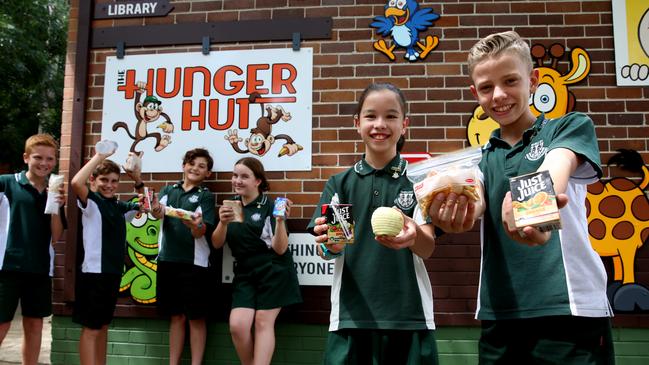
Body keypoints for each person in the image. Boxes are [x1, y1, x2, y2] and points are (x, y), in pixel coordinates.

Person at [429, 31, 614, 364]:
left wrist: (532, 209)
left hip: (570, 312)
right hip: (500, 318)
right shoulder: (480, 158)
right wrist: (450, 211)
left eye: (510, 81)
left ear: (533, 80)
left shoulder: (569, 126)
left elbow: (557, 164)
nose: (499, 95)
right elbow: (476, 200)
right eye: (486, 87)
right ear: (475, 93)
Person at [308, 83, 439, 364]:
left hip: (410, 317)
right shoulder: (339, 184)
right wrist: (331, 244)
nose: (380, 124)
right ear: (357, 123)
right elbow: (329, 250)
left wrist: (413, 235)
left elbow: (428, 248)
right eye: (371, 116)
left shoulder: (421, 181)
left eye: (391, 116)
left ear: (404, 124)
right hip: (350, 318)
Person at [212, 157, 302, 365]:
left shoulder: (271, 206)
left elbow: (280, 249)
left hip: (274, 270)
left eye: (244, 176)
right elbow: (216, 244)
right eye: (235, 176)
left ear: (258, 181)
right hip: (245, 273)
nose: (238, 180)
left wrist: (280, 222)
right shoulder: (231, 206)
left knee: (263, 321)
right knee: (238, 325)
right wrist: (222, 224)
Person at [70, 147, 145, 365]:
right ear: (93, 180)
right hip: (93, 274)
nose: (109, 185)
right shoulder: (91, 201)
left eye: (114, 181)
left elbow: (146, 204)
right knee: (91, 329)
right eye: (104, 180)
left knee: (103, 327)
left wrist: (137, 179)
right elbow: (76, 183)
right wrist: (100, 156)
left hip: (112, 274)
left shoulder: (120, 207)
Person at [0, 134, 66, 365]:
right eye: (38, 157)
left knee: (35, 324)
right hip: (6, 266)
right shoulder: (6, 182)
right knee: (2, 323)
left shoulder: (54, 190)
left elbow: (56, 237)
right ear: (26, 157)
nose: (44, 163)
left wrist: (56, 203)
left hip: (39, 268)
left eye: (49, 159)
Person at [150, 148, 216, 365]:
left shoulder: (206, 196)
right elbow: (157, 213)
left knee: (196, 318)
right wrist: (154, 208)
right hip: (167, 261)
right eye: (192, 163)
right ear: (183, 166)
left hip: (195, 265)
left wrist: (194, 226)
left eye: (202, 166)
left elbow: (201, 231)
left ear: (208, 173)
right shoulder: (168, 190)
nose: (195, 168)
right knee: (176, 316)